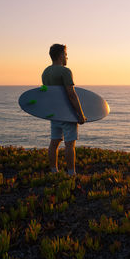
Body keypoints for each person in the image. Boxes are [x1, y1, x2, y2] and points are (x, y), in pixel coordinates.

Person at [42, 44, 87, 175]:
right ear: (61, 55)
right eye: (66, 54)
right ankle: (71, 173)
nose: (67, 57)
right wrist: (81, 114)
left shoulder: (45, 72)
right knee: (69, 145)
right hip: (67, 114)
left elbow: (48, 95)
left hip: (54, 114)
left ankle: (54, 171)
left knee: (54, 142)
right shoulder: (65, 71)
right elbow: (71, 94)